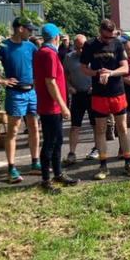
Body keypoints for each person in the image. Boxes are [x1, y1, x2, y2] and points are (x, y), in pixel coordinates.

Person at [80, 19, 130, 180]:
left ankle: (128, 162)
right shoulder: (90, 45)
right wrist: (98, 73)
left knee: (123, 128)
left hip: (117, 92)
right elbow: (84, 69)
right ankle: (103, 165)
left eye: (111, 37)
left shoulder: (117, 44)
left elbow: (125, 68)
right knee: (100, 130)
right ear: (100, 31)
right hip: (99, 94)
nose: (109, 40)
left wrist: (110, 73)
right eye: (106, 37)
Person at [0, 16, 41, 183]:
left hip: (31, 92)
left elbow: (39, 65)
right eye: (29, 29)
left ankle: (35, 163)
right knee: (13, 130)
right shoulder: (4, 46)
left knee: (34, 127)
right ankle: (11, 168)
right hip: (15, 93)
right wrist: (1, 80)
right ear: (20, 28)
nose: (31, 32)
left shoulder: (31, 46)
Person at [33, 23, 80, 194]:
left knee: (58, 140)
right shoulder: (49, 54)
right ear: (56, 37)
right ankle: (46, 179)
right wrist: (63, 106)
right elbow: (50, 82)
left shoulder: (41, 53)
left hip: (49, 105)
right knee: (51, 143)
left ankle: (58, 173)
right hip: (51, 106)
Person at [63, 34, 99, 164]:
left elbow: (100, 72)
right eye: (78, 48)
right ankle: (72, 153)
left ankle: (96, 148)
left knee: (95, 124)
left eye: (83, 47)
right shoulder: (69, 58)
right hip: (77, 94)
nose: (81, 51)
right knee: (75, 125)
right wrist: (69, 86)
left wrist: (95, 86)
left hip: (92, 94)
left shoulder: (93, 55)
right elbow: (64, 74)